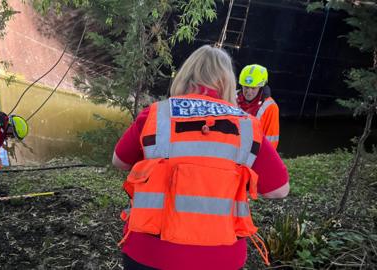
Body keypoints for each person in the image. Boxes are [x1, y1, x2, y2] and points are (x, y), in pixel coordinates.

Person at [112, 45, 289, 270]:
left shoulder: (158, 114)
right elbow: (279, 189)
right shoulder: (247, 127)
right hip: (219, 259)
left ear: (185, 76)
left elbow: (119, 161)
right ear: (229, 82)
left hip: (149, 253)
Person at [237, 64, 280, 149]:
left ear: (261, 87)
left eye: (253, 88)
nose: (249, 92)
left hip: (253, 154)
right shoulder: (232, 97)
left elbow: (271, 141)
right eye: (246, 87)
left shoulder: (270, 107)